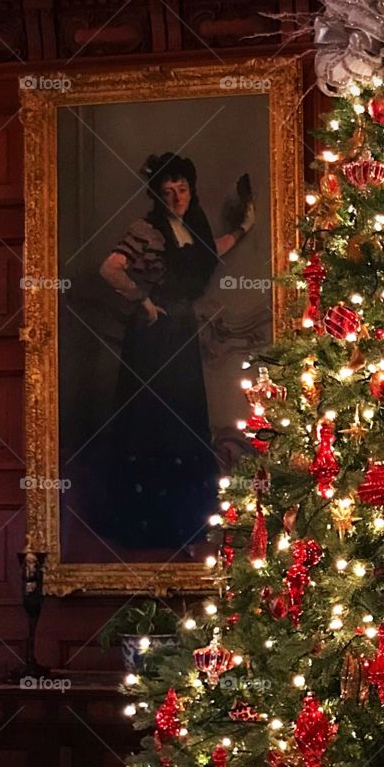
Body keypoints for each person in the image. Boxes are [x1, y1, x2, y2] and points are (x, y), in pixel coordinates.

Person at [97, 152, 254, 550]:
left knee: (183, 420)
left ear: (191, 189)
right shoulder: (147, 229)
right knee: (153, 424)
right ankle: (149, 527)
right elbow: (110, 268)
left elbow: (206, 255)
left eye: (181, 189)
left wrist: (243, 228)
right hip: (153, 337)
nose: (176, 197)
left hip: (181, 332)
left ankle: (186, 524)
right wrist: (143, 301)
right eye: (167, 191)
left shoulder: (191, 226)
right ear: (158, 195)